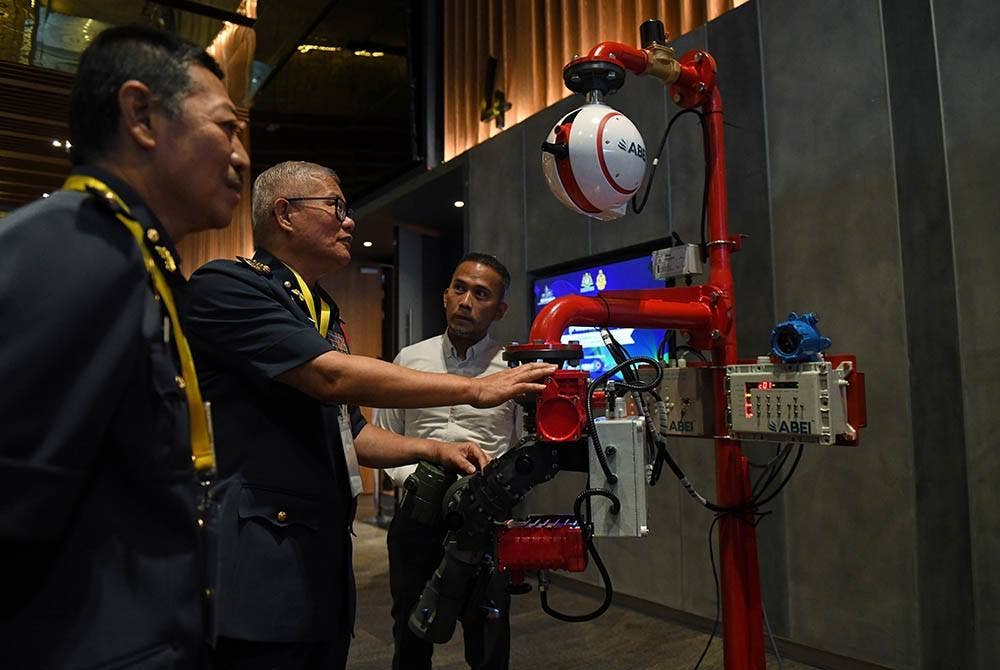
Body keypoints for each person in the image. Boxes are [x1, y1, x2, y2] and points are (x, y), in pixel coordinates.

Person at [182, 161, 553, 669]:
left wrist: (434, 449)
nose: (349, 221)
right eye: (336, 206)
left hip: (320, 552)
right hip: (260, 558)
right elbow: (329, 378)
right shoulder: (228, 284)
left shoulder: (322, 310)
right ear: (284, 213)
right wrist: (473, 390)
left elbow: (350, 431)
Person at [0, 26, 248, 668]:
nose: (242, 156)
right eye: (227, 128)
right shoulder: (72, 253)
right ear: (141, 115)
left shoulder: (126, 255)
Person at [376, 252, 518, 670]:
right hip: (415, 519)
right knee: (409, 629)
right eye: (459, 288)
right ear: (444, 295)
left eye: (481, 293)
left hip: (483, 522)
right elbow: (386, 432)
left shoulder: (512, 368)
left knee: (489, 633)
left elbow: (519, 445)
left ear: (500, 309)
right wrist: (417, 480)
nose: (466, 301)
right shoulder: (408, 360)